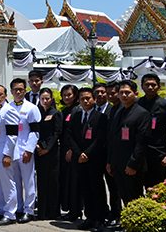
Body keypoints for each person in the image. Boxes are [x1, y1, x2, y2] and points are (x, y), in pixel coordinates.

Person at [65, 87, 108, 230]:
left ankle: (99, 219)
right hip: (79, 160)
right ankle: (89, 217)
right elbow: (70, 136)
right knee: (85, 189)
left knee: (97, 189)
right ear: (79, 100)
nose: (85, 100)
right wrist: (79, 153)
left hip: (94, 159)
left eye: (88, 98)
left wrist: (87, 154)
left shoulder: (100, 117)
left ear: (94, 99)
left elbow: (100, 139)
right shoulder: (76, 116)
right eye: (82, 98)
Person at [107, 80, 151, 219]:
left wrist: (133, 164)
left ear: (135, 94)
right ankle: (128, 222)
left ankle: (138, 222)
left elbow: (141, 142)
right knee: (123, 195)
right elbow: (113, 139)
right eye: (121, 93)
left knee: (135, 197)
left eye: (128, 92)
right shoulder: (118, 111)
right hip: (118, 164)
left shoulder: (142, 113)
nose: (124, 95)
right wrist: (110, 161)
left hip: (132, 165)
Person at [137, 73, 166, 189]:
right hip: (138, 153)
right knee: (136, 187)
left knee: (156, 189)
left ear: (158, 87)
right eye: (147, 85)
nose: (150, 87)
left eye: (153, 85)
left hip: (157, 154)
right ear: (142, 86)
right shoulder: (137, 104)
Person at [8, 78, 41, 223]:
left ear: (25, 90)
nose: (18, 92)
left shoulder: (31, 108)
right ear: (11, 91)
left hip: (25, 151)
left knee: (28, 182)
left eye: (21, 89)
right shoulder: (7, 107)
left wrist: (29, 149)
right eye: (15, 89)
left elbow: (35, 131)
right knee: (14, 182)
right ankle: (18, 208)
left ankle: (29, 210)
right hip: (11, 152)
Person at [0, 84, 20, 225]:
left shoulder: (9, 110)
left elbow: (12, 135)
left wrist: (7, 154)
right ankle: (1, 209)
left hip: (4, 154)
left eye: (0, 94)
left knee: (8, 184)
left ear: (5, 95)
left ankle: (10, 213)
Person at [35, 87, 62, 220]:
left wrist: (47, 148)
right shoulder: (37, 113)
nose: (45, 101)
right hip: (39, 151)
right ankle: (42, 212)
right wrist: (38, 145)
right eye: (42, 99)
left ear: (51, 100)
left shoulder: (56, 113)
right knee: (41, 182)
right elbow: (35, 131)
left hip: (52, 153)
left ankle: (53, 212)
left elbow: (56, 133)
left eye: (47, 98)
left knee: (53, 182)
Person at [59, 83, 81, 221]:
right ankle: (70, 209)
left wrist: (72, 150)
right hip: (64, 151)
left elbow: (76, 134)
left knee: (75, 183)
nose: (67, 97)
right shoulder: (65, 110)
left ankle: (76, 210)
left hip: (72, 151)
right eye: (64, 95)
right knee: (67, 181)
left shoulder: (77, 110)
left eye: (69, 95)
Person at [103, 81, 122, 227]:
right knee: (113, 189)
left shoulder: (123, 109)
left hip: (123, 157)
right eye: (108, 93)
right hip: (110, 156)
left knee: (124, 190)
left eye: (112, 93)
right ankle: (115, 215)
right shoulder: (112, 109)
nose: (110, 95)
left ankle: (125, 217)